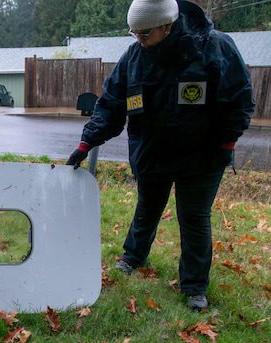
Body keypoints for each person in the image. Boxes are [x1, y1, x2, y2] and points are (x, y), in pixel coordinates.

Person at [66, 0, 254, 310]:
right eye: (134, 33)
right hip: (152, 152)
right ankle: (133, 256)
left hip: (201, 157)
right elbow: (112, 103)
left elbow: (240, 98)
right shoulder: (134, 57)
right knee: (148, 206)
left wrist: (226, 143)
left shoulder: (214, 47)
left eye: (145, 33)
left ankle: (194, 286)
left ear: (167, 26)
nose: (138, 40)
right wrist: (86, 143)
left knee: (193, 218)